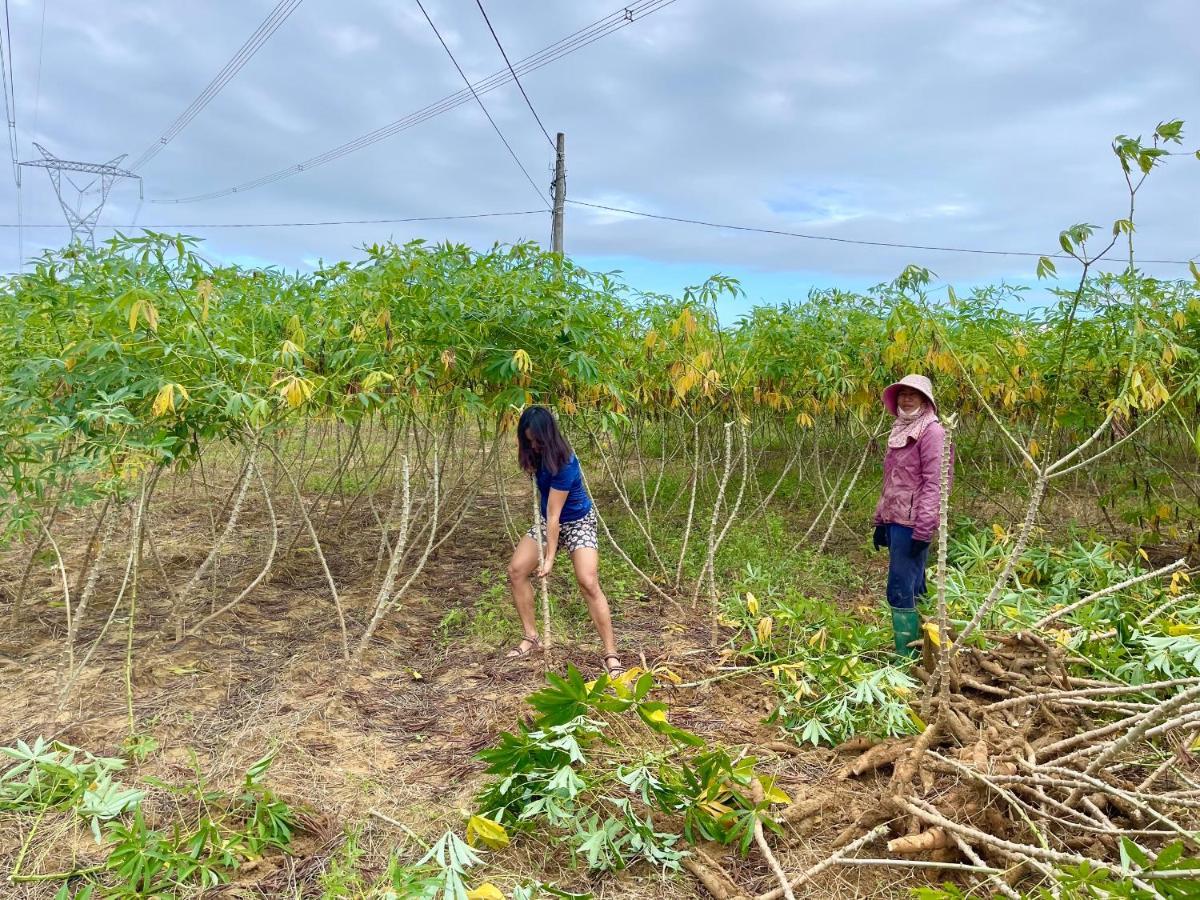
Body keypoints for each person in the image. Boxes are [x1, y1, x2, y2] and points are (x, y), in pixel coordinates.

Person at [506, 406, 623, 675]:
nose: (533, 445)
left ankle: (611, 654)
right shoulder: (533, 455)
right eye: (529, 440)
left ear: (549, 437)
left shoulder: (565, 462)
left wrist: (549, 558)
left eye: (537, 440)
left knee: (588, 581)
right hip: (548, 522)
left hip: (576, 520)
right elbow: (548, 516)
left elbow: (555, 514)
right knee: (516, 571)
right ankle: (531, 637)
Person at [872, 374, 953, 659]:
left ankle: (906, 656)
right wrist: (881, 520)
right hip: (896, 518)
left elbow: (936, 483)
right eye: (903, 394)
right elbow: (893, 481)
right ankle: (925, 647)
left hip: (913, 521)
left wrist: (924, 528)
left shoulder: (932, 432)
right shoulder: (900, 428)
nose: (907, 399)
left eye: (913, 394)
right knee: (915, 583)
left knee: (900, 586)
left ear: (925, 400)